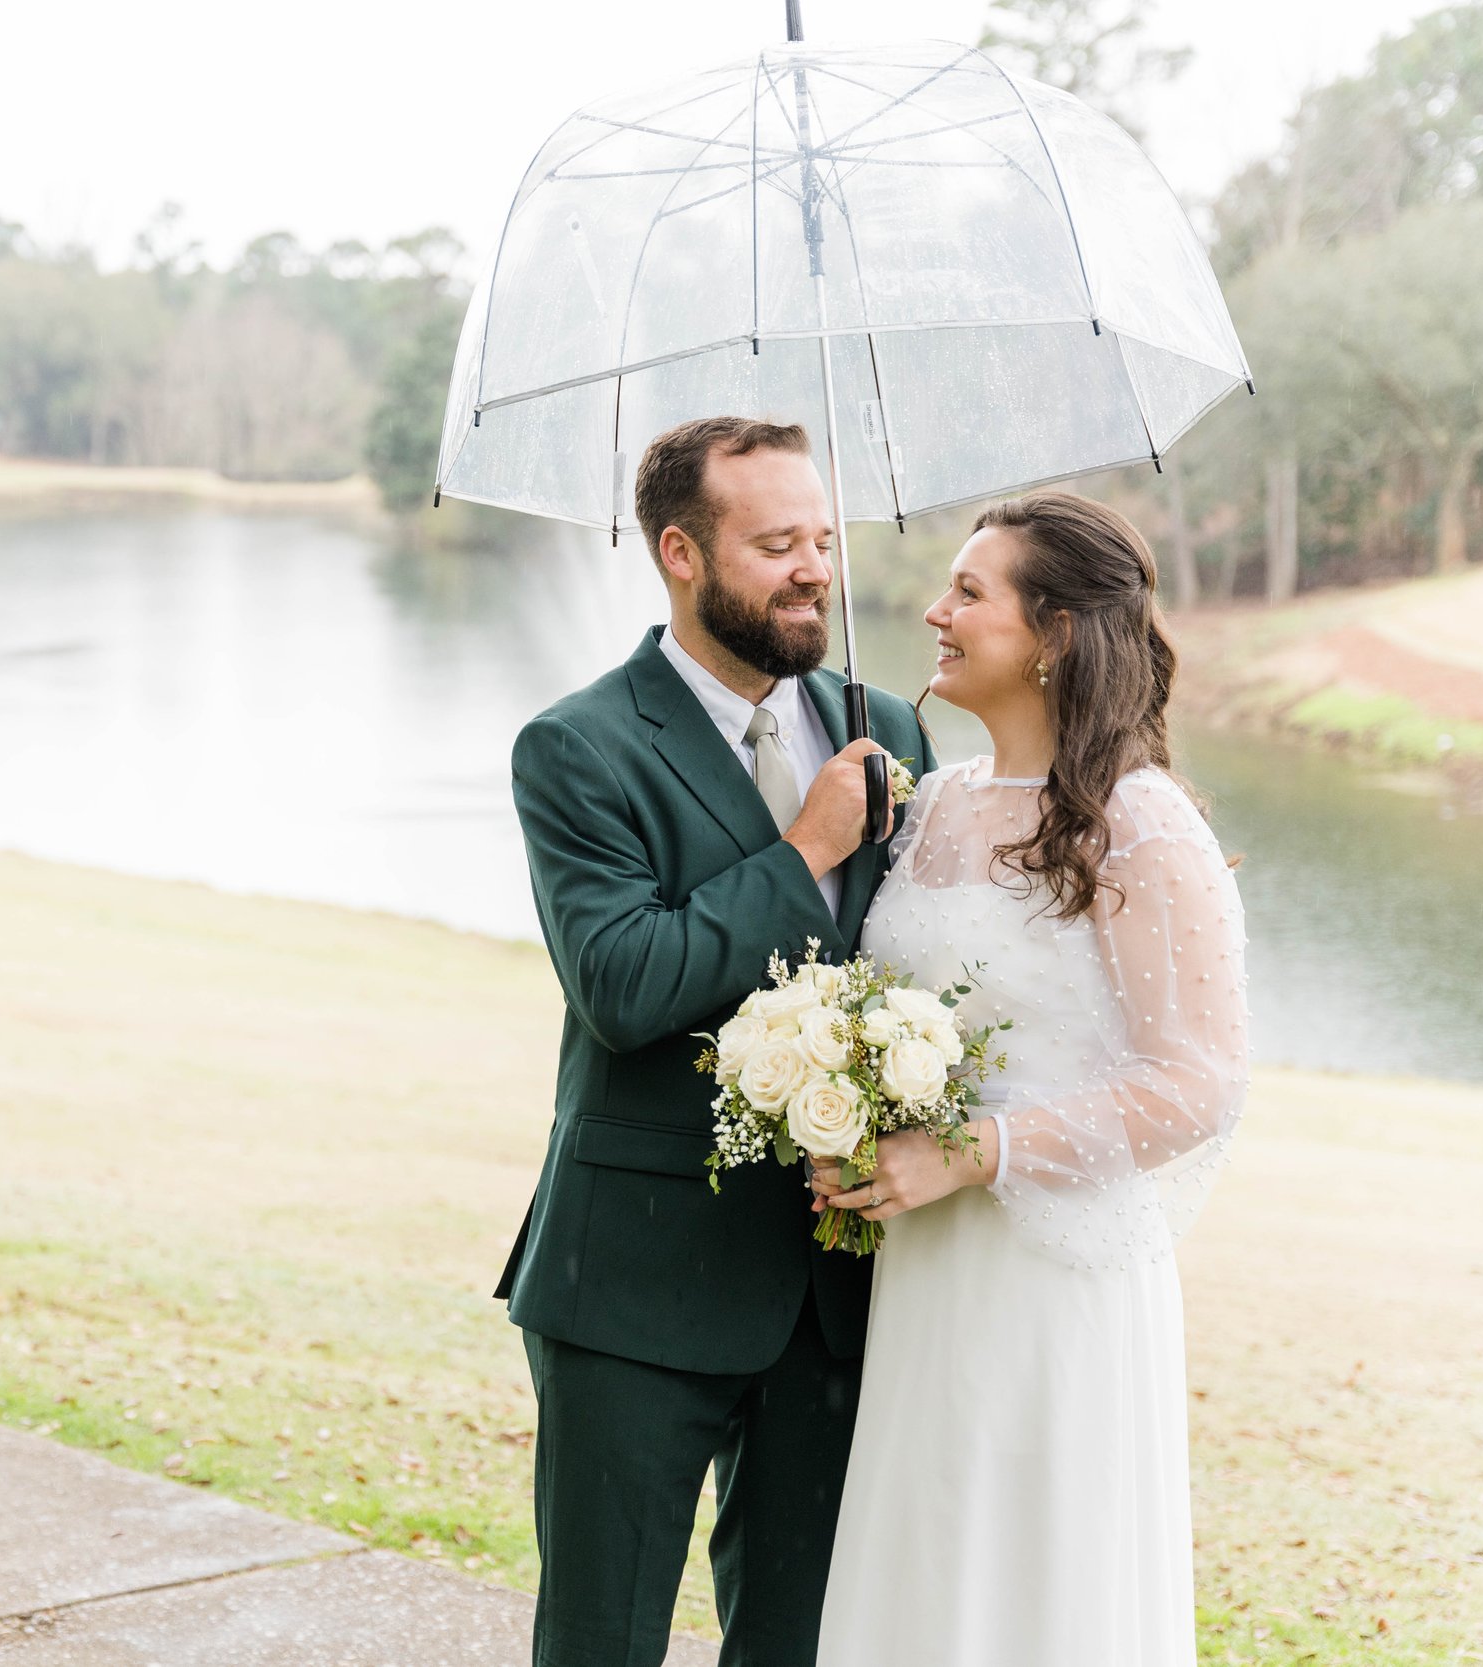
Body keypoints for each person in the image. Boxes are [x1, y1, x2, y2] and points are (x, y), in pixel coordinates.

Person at [502, 414, 938, 1667]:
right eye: (775, 542)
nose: (814, 567)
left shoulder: (891, 731)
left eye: (823, 536)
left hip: (832, 1279)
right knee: (600, 1640)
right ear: (680, 553)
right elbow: (626, 984)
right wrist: (803, 848)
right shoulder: (577, 747)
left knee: (801, 1643)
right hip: (630, 1280)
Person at [810, 491, 1251, 1666]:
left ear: (1052, 632)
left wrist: (974, 1151)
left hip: (1053, 1273)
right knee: (928, 1560)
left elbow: (1197, 1082)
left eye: (968, 591)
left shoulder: (1140, 824)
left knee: (1035, 1588)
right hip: (927, 1269)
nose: (933, 610)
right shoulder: (935, 800)